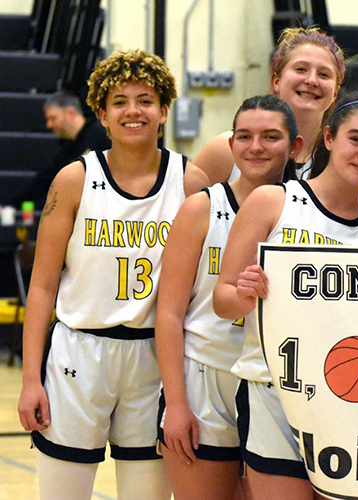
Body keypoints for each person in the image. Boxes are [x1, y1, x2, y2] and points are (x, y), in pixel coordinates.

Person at [16, 49, 208, 500]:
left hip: (154, 358)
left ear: (164, 110)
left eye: (145, 99)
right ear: (101, 113)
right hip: (79, 353)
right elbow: (42, 286)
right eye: (119, 101)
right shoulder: (74, 179)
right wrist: (30, 380)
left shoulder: (191, 182)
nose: (133, 110)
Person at [212, 91, 358, 500]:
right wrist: (246, 294)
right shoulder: (274, 202)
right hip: (271, 393)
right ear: (330, 138)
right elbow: (223, 299)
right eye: (356, 139)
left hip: (345, 399)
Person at [155, 95, 302, 499]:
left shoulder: (307, 211)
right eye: (244, 136)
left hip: (274, 385)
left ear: (295, 147)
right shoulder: (203, 207)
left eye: (270, 137)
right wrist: (176, 404)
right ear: (232, 143)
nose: (255, 147)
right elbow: (168, 314)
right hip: (206, 381)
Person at [193, 26, 344, 183]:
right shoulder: (224, 151)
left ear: (335, 92)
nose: (312, 80)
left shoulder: (341, 159)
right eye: (301, 69)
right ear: (276, 82)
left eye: (323, 74)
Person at [15, 90, 112, 208]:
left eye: (53, 118)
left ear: (71, 113)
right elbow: (45, 180)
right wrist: (11, 204)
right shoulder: (68, 149)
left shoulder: (101, 133)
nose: (49, 125)